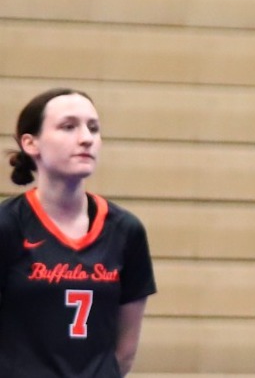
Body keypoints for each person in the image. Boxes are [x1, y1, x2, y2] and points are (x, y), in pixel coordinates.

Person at [1, 88, 155, 377]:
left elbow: (125, 350)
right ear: (31, 143)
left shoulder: (126, 231)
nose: (86, 138)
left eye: (93, 128)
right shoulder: (8, 226)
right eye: (68, 127)